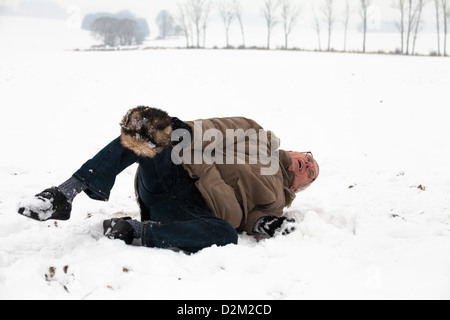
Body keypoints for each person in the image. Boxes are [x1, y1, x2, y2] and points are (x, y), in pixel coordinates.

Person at [18, 107, 319, 253]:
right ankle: (64, 194)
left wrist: (264, 224)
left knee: (225, 235)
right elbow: (220, 128)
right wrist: (184, 130)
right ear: (292, 149)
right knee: (152, 131)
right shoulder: (256, 135)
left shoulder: (278, 202)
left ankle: (136, 230)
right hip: (176, 173)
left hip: (192, 215)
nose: (307, 164)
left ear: (298, 186)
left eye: (311, 172)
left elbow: (252, 220)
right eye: (308, 157)